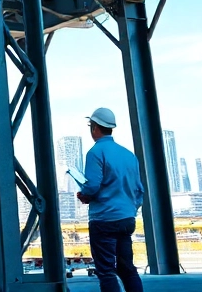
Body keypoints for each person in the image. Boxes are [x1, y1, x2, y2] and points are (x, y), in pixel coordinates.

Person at [76, 107, 144, 292]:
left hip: (104, 220)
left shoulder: (96, 152)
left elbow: (92, 186)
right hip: (126, 219)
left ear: (94, 127)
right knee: (128, 269)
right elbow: (139, 191)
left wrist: (85, 195)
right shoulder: (129, 155)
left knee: (106, 271)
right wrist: (129, 211)